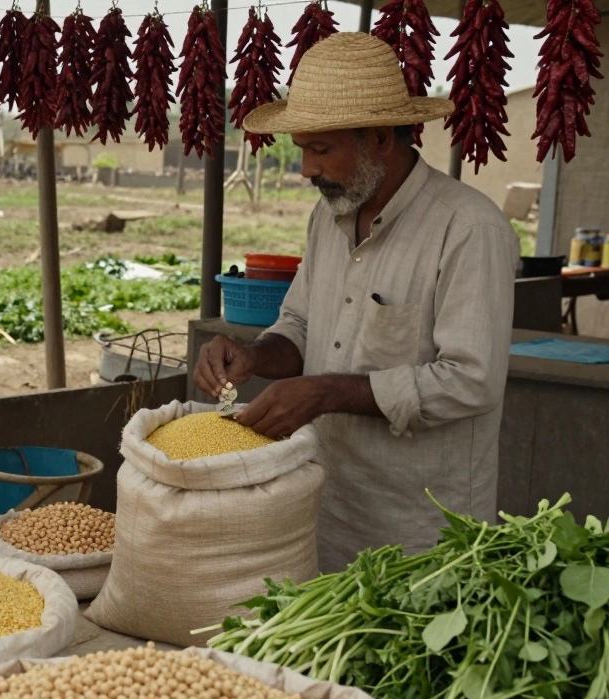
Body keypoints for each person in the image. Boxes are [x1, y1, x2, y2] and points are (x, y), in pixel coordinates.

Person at [194, 33, 520, 572]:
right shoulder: (329, 217)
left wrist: (324, 392)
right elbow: (301, 323)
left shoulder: (468, 229)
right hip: (329, 504)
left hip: (421, 525)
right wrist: (255, 356)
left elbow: (471, 380)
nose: (305, 169)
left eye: (321, 150)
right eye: (302, 149)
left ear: (380, 139)